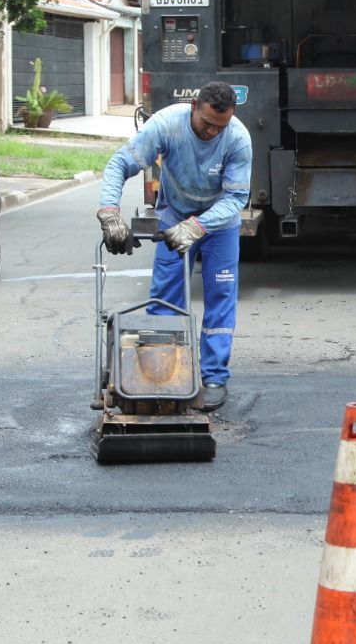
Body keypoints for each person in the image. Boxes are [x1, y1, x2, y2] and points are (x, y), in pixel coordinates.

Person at [97, 82, 252, 411]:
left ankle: (213, 378)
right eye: (206, 122)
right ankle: (162, 374)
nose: (212, 131)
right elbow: (118, 165)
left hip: (219, 225)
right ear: (194, 105)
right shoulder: (167, 124)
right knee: (165, 299)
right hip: (174, 216)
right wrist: (110, 213)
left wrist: (197, 227)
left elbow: (236, 198)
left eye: (219, 126)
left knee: (220, 299)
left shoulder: (237, 138)